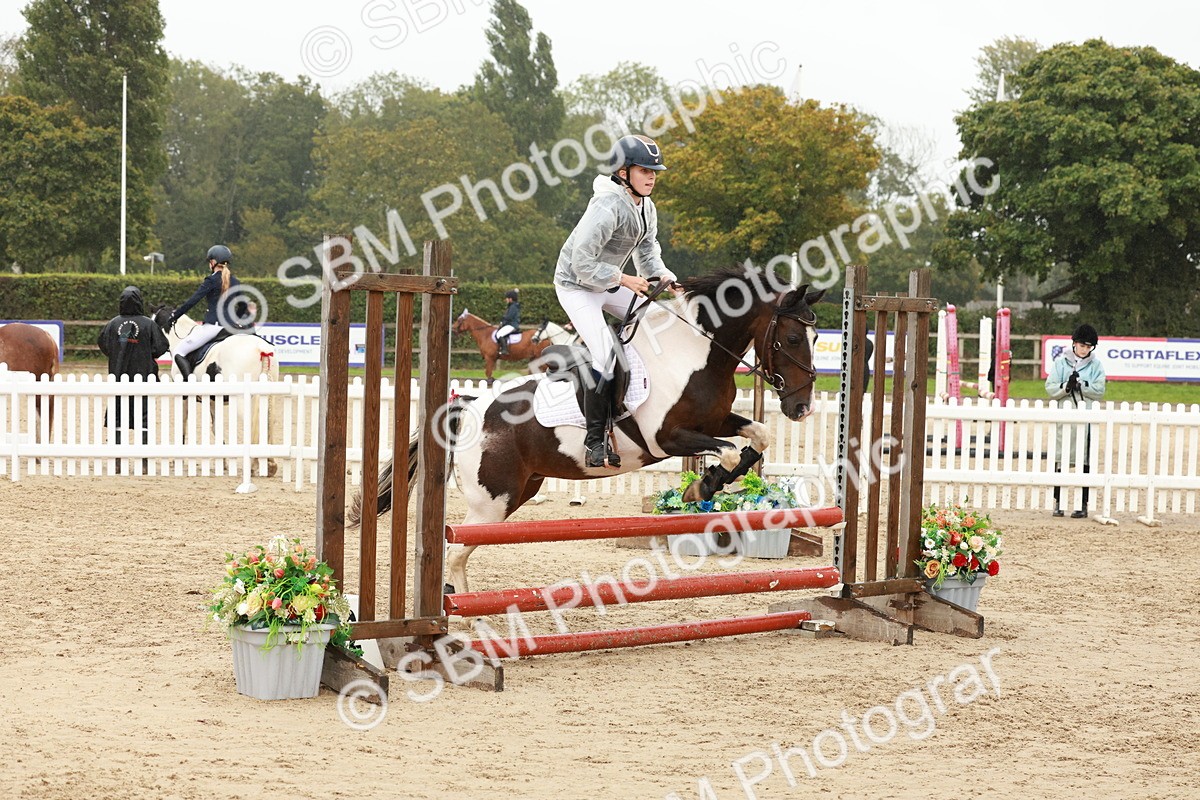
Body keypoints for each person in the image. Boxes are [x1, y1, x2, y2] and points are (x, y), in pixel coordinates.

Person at [554, 133, 679, 468]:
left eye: (655, 171)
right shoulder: (606, 208)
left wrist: (664, 277)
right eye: (644, 170)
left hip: (605, 284)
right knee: (605, 354)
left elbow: (649, 253)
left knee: (658, 322)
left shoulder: (645, 207)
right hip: (576, 286)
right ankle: (595, 441)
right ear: (623, 172)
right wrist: (623, 278)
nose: (652, 176)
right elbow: (582, 264)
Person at [1045, 323, 1106, 518]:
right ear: (1074, 344)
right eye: (1082, 345)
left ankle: (1082, 504)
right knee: (1060, 460)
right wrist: (1067, 386)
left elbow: (1099, 391)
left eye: (1089, 347)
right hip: (1066, 419)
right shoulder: (1061, 363)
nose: (1085, 349)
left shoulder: (1096, 366)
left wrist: (1082, 384)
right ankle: (1058, 502)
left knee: (1085, 462)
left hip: (1086, 420)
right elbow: (1050, 388)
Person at [165, 244, 253, 379]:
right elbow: (243, 306)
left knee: (179, 351)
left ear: (213, 262)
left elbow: (192, 301)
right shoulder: (235, 281)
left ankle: (190, 387)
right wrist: (233, 320)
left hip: (213, 327)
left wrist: (174, 316)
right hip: (230, 327)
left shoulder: (211, 280)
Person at [96, 285, 170, 445]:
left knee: (117, 415)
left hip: (118, 377)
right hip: (143, 378)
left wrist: (117, 353)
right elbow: (161, 346)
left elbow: (103, 344)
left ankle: (117, 458)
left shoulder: (112, 324)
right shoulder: (148, 324)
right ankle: (144, 459)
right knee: (144, 417)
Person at [494, 288, 521, 357]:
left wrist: (502, 321)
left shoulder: (513, 307)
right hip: (510, 324)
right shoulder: (512, 306)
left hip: (512, 325)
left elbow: (509, 317)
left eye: (507, 298)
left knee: (499, 334)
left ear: (510, 299)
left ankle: (504, 350)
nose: (506, 300)